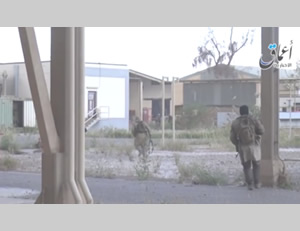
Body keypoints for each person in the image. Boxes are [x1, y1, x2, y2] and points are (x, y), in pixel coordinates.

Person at [230, 105, 265, 190]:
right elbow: (261, 131)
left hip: (243, 147)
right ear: (248, 111)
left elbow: (232, 137)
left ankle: (250, 184)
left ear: (240, 112)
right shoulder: (253, 120)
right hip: (254, 145)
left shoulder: (235, 122)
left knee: (246, 166)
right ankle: (257, 183)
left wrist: (238, 144)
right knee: (256, 164)